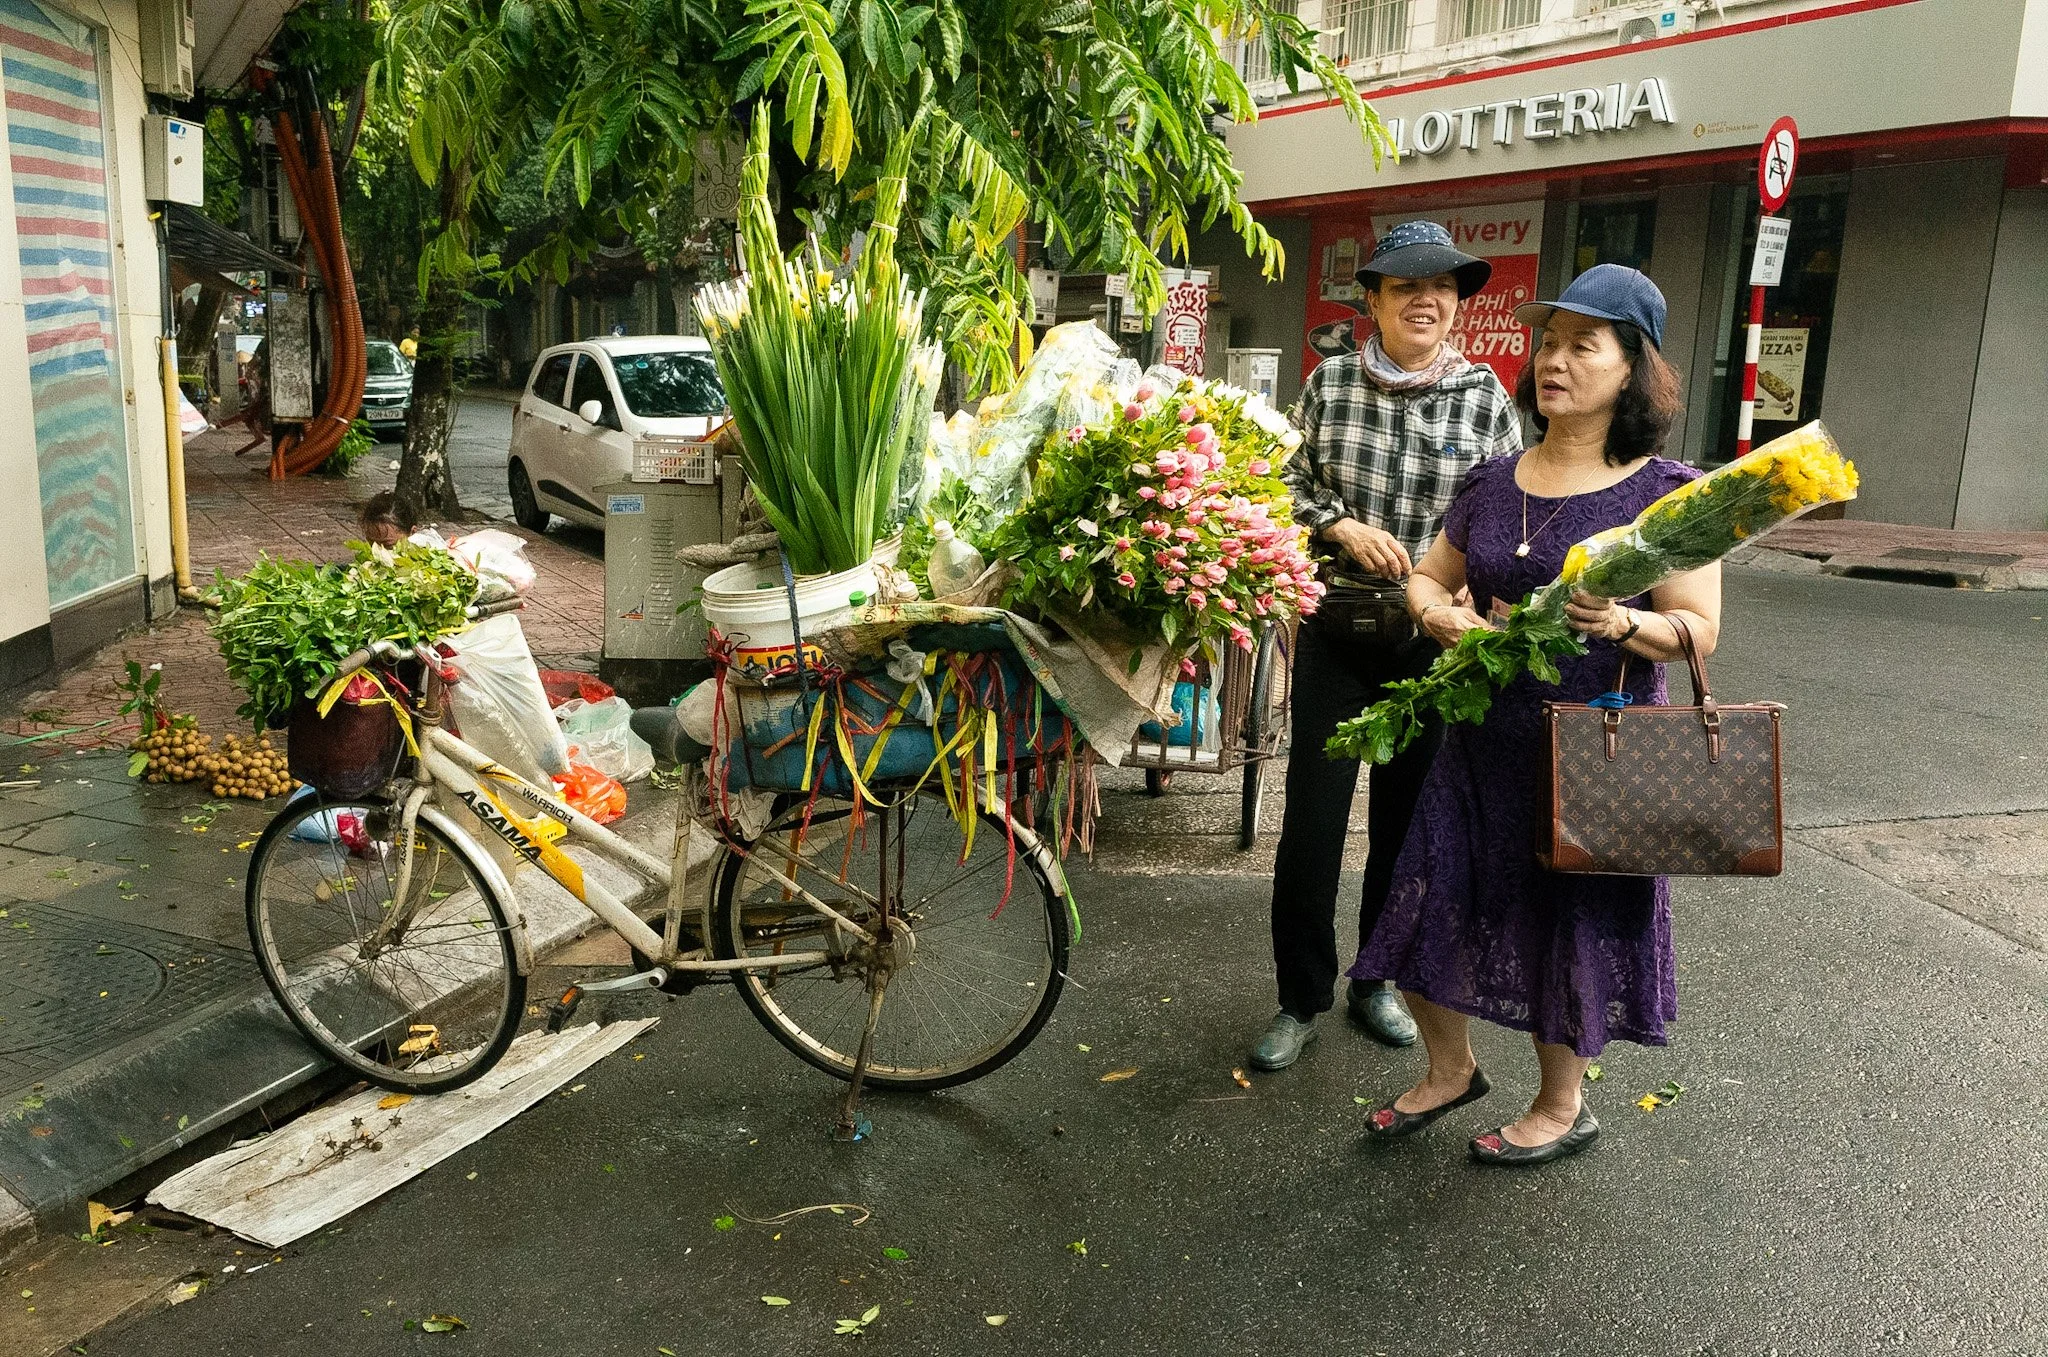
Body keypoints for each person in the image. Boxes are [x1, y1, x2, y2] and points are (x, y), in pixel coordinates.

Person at [1352, 264, 1718, 1166]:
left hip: (1592, 751)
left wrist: (1627, 619)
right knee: (1429, 896)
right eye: (1546, 342)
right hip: (1478, 743)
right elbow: (1430, 574)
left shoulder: (1668, 493)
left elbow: (1700, 628)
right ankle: (1451, 1068)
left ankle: (1563, 1105)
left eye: (1581, 345)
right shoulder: (1490, 480)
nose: (1553, 360)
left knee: (1563, 920)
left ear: (1632, 367)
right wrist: (1433, 610)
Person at [1252, 221, 1523, 1071]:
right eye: (1407, 287)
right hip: (1339, 632)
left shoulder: (1484, 397)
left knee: (1407, 830)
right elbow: (1279, 481)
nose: (1428, 300)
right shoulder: (1328, 386)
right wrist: (1337, 522)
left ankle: (1375, 981)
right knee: (1314, 826)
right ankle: (1301, 995)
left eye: (1443, 288)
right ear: (1373, 300)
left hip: (1433, 644)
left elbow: (1509, 508)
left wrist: (1483, 597)